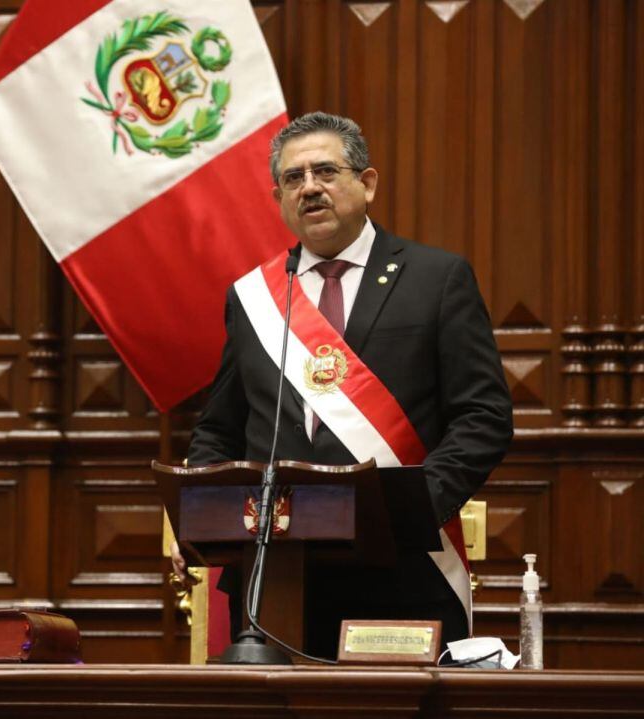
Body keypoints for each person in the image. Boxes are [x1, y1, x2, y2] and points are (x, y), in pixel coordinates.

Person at [172, 111, 513, 659]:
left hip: (401, 566)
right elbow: (220, 428)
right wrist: (198, 505)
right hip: (276, 576)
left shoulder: (436, 279)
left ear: (367, 183)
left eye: (326, 171)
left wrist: (415, 508)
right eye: (292, 178)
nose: (309, 188)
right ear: (279, 197)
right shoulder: (255, 297)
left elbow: (484, 417)